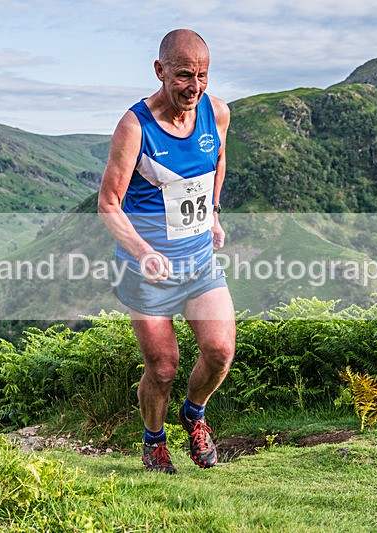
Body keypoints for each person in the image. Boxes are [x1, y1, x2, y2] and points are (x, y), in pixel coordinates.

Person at [97, 29, 236, 474]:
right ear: (160, 71)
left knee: (220, 351)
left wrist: (212, 212)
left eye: (202, 76)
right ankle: (154, 440)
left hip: (199, 262)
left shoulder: (216, 112)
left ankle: (194, 415)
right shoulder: (134, 127)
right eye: (183, 76)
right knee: (162, 368)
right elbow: (108, 204)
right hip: (148, 270)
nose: (194, 87)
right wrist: (141, 251)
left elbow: (217, 162)